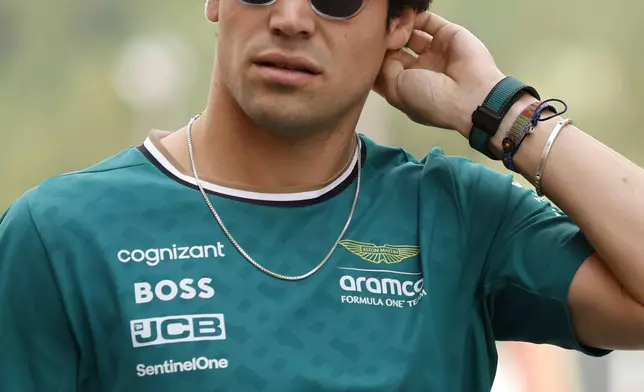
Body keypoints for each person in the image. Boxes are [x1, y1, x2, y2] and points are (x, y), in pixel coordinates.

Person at [1, 0, 643, 390]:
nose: (289, 18)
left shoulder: (455, 217)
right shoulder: (60, 237)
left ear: (400, 23)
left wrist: (506, 116)